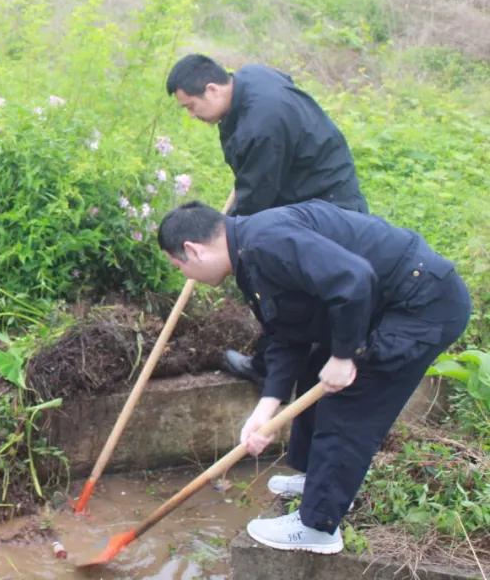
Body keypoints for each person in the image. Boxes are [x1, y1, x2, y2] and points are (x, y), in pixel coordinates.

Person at [156, 200, 470, 553]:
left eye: (177, 265)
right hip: (383, 304)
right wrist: (266, 408)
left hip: (421, 305)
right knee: (313, 366)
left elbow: (354, 278)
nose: (184, 275)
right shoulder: (247, 251)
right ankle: (317, 481)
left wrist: (343, 355)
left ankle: (318, 526)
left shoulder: (266, 241)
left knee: (350, 397)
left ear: (192, 250)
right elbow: (287, 333)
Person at [165, 54, 368, 387]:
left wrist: (215, 237)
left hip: (326, 201)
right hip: (309, 184)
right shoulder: (251, 78)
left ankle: (275, 367)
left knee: (272, 271)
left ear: (212, 89)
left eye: (190, 106)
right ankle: (307, 358)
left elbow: (255, 203)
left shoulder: (262, 127)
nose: (191, 114)